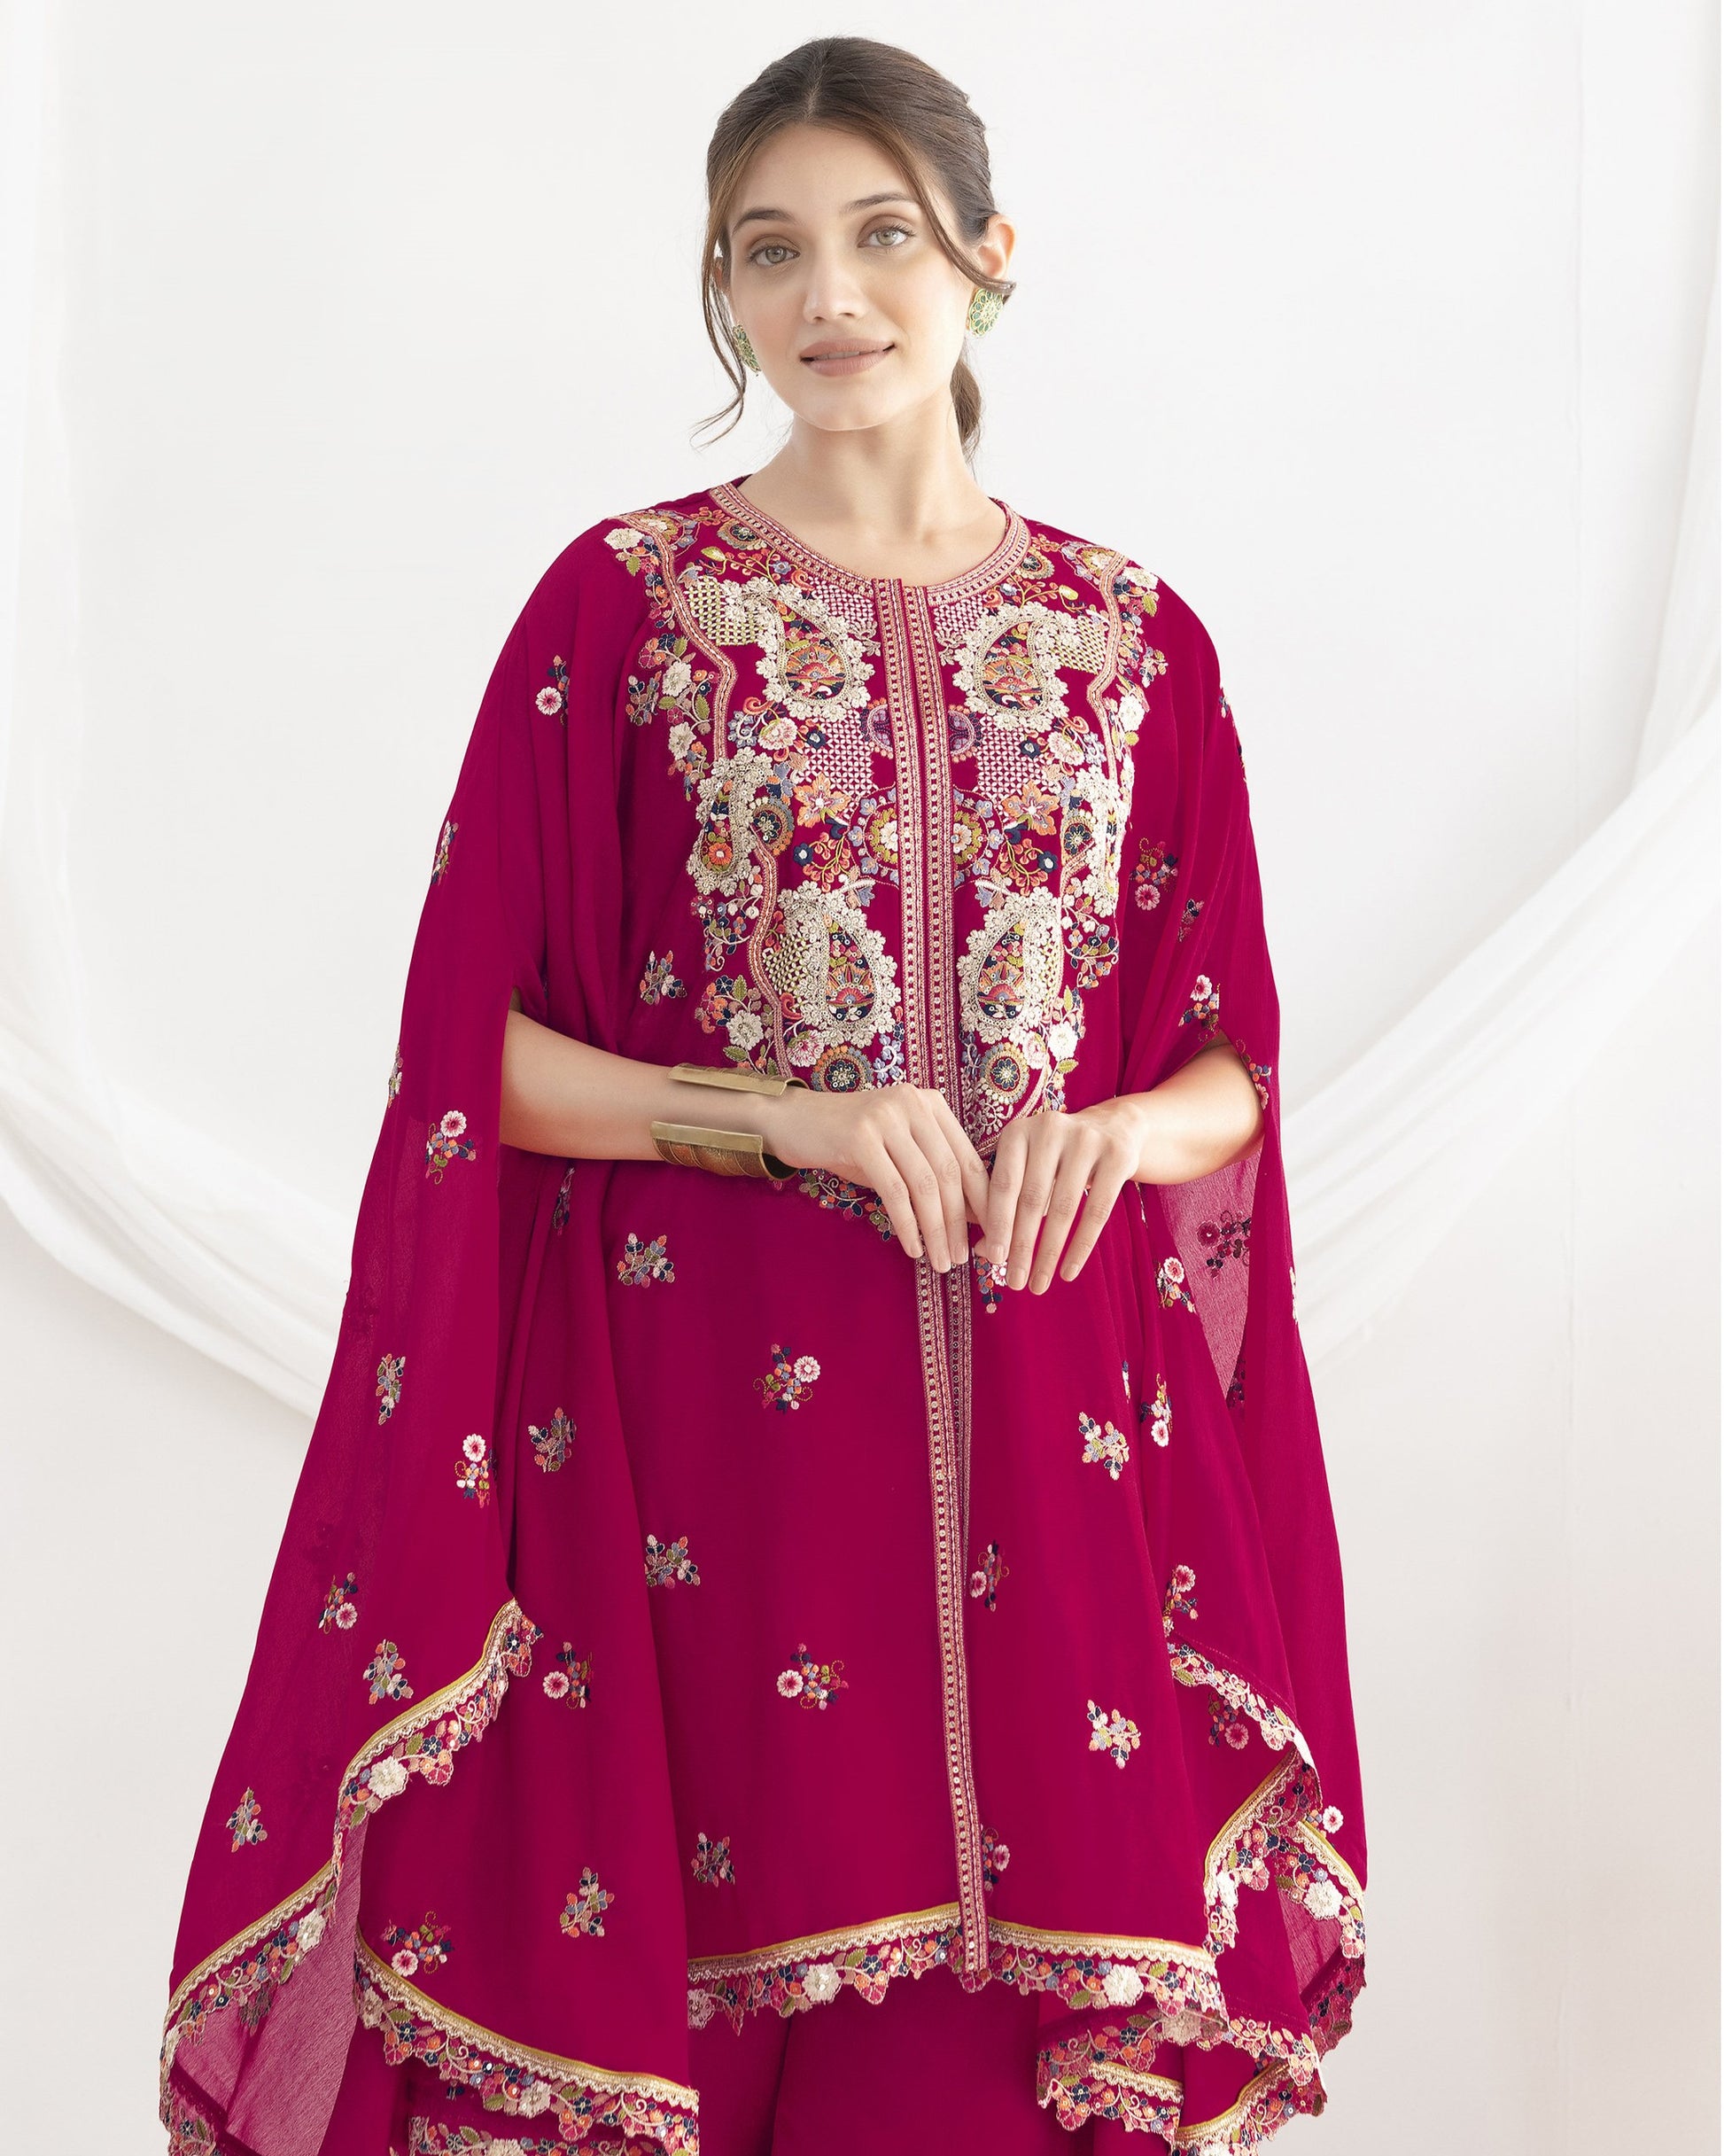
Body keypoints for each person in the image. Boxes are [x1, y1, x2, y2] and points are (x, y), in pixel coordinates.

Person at [159, 35, 1366, 2156]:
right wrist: (778, 1118)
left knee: (987, 2073)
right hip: (702, 1455)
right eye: (769, 249)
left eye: (882, 234)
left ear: (988, 254)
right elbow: (472, 1067)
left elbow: (1229, 1076)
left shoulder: (1134, 642)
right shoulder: (625, 608)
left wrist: (1112, 1132)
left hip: (1056, 1444)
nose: (830, 295)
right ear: (721, 285)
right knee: (689, 2016)